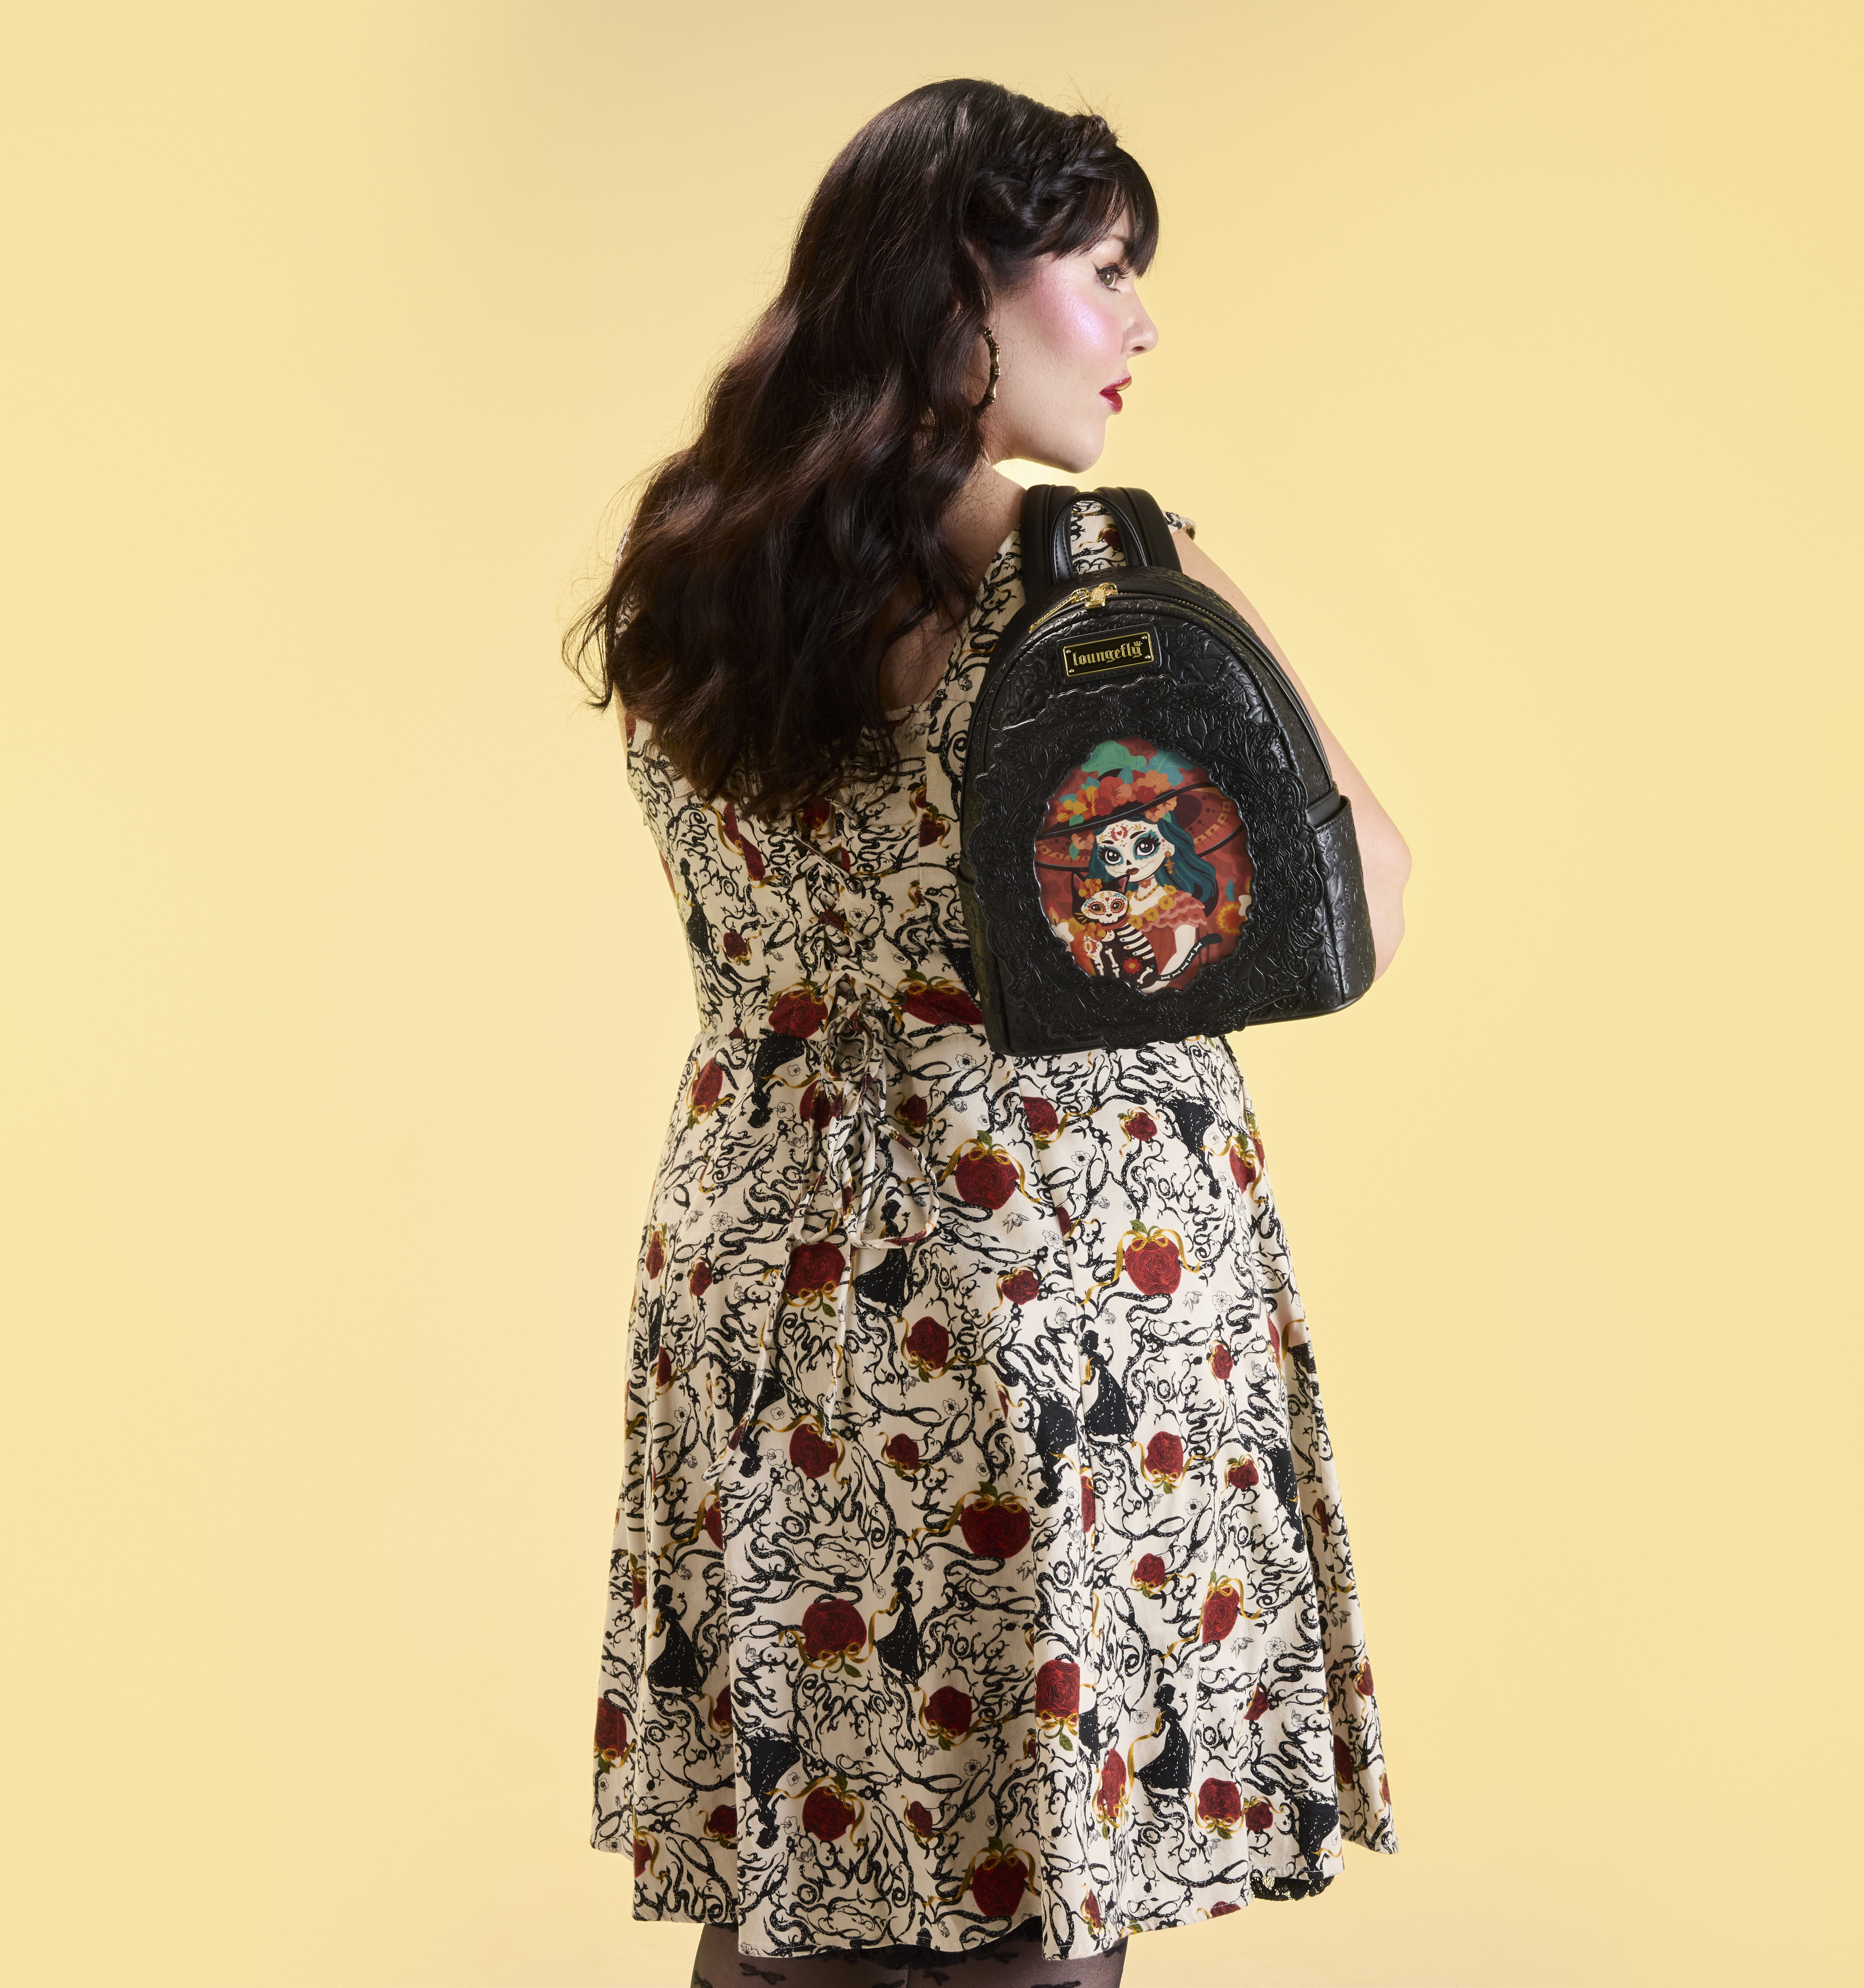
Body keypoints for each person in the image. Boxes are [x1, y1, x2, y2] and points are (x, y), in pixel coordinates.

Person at [567, 79, 1412, 1988]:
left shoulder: (695, 558)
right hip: (1051, 1260)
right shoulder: (1089, 576)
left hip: (765, 1263)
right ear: (964, 282)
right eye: (1101, 271)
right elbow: (1358, 887)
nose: (1138, 326)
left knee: (801, 1862)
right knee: (1041, 1861)